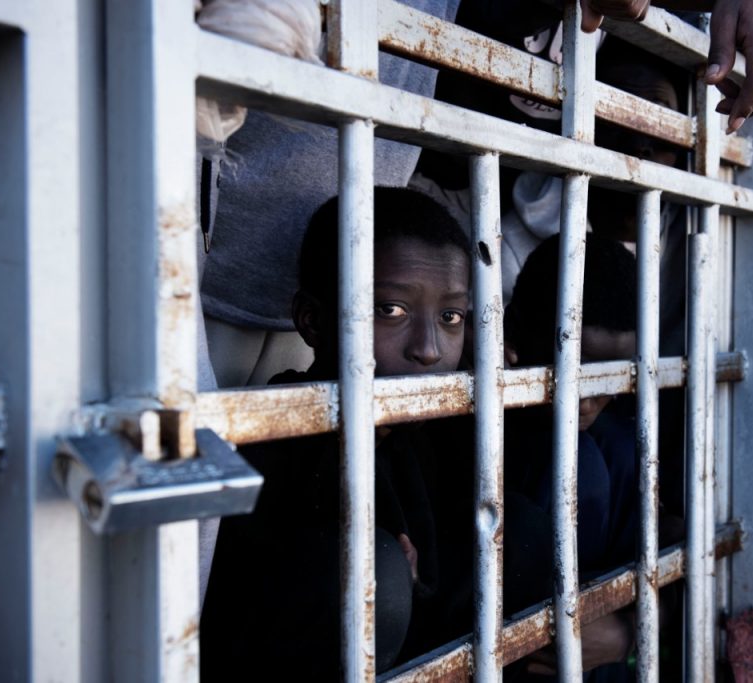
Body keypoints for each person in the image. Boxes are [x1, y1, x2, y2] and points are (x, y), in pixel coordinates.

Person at [200, 188, 551, 677]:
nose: (429, 350)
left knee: (522, 530)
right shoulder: (275, 438)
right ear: (312, 321)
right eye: (390, 310)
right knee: (370, 571)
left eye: (451, 318)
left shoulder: (432, 431)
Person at [503, 233, 686, 677]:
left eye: (606, 376)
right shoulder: (458, 414)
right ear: (512, 329)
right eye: (572, 367)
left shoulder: (620, 446)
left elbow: (666, 559)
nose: (586, 400)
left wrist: (627, 633)